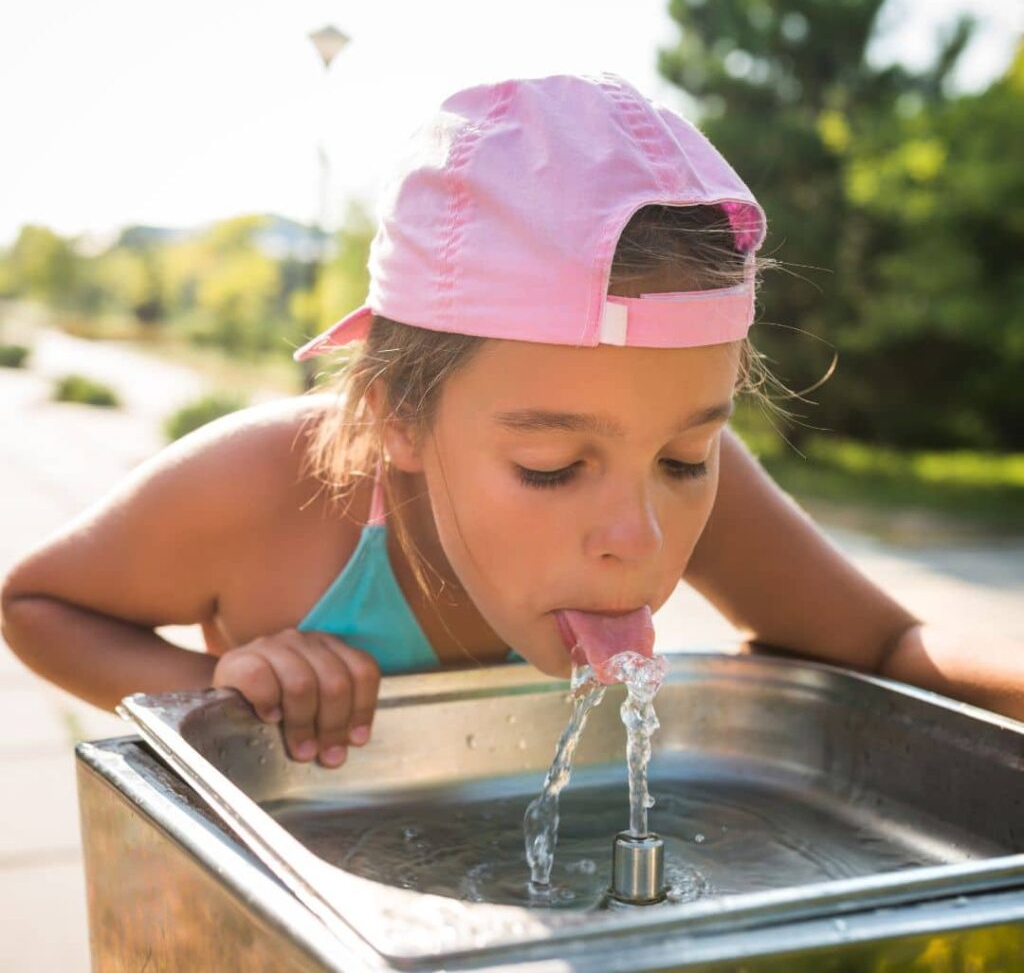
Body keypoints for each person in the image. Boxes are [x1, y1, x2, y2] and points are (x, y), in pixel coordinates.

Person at [2, 72, 1021, 774]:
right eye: (548, 464)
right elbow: (36, 601)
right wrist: (217, 691)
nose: (639, 535)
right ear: (399, 409)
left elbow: (882, 645)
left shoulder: (694, 480)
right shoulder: (272, 486)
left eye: (683, 455)